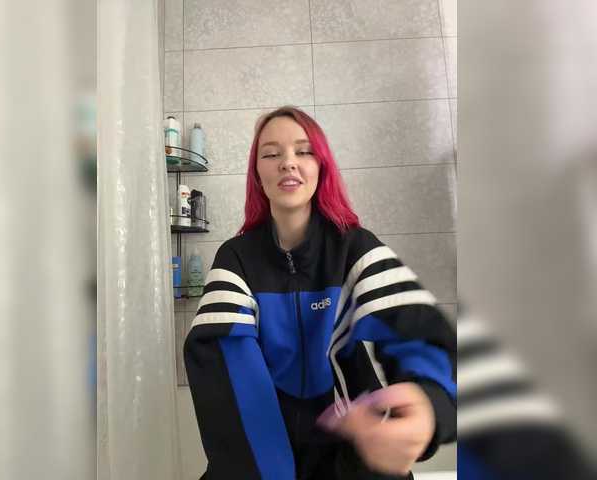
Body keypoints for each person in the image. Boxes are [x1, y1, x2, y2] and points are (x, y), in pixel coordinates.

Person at [184, 106, 456, 479]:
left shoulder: (354, 249)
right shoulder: (236, 259)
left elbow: (418, 328)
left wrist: (429, 405)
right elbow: (223, 357)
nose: (288, 163)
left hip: (357, 450)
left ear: (321, 166)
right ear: (257, 173)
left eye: (304, 151)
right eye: (271, 154)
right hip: (261, 457)